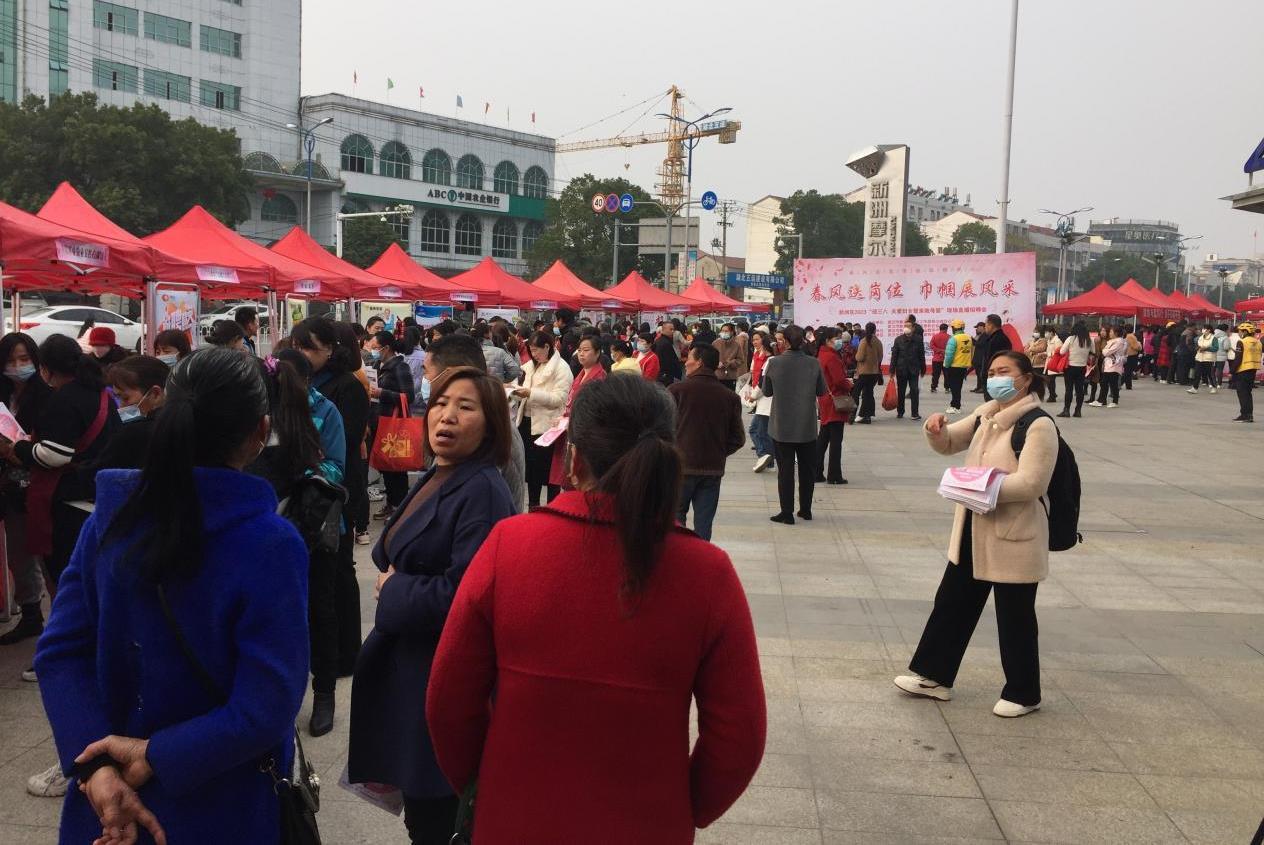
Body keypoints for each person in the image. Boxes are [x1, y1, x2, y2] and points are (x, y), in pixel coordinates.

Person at [426, 374, 766, 843]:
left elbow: (448, 700)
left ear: (573, 459)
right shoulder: (708, 573)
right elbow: (739, 736)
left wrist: (484, 783)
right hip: (649, 826)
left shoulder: (510, 545)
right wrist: (685, 805)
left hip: (513, 817)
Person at [35, 347, 310, 843]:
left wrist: (95, 767)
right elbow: (267, 705)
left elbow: (60, 653)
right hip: (222, 802)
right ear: (259, 432)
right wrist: (156, 755)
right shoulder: (270, 544)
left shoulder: (112, 517)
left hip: (105, 810)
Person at [348, 366, 515, 844]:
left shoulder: (482, 490)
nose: (447, 416)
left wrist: (393, 590)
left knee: (437, 820)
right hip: (411, 674)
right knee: (421, 817)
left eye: (465, 407)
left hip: (442, 682)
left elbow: (467, 594)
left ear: (491, 424)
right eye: (440, 403)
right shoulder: (441, 474)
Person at [896, 350, 1057, 719]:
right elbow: (950, 442)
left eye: (1005, 371)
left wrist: (980, 487)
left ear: (1026, 378)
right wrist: (935, 429)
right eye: (992, 372)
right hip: (972, 528)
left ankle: (1024, 692)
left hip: (1014, 533)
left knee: (1015, 615)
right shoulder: (987, 413)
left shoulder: (1038, 425)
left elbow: (1032, 483)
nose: (996, 378)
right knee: (951, 603)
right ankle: (934, 677)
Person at [293, 318, 369, 677]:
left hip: (339, 488)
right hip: (307, 491)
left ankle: (346, 653)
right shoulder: (297, 381)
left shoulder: (347, 386)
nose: (303, 354)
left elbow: (349, 440)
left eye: (310, 347)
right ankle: (322, 650)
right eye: (298, 346)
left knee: (339, 569)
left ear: (330, 349)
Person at [425, 334, 527, 514]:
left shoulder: (485, 434)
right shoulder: (478, 425)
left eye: (427, 372)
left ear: (451, 374)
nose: (425, 379)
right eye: (441, 404)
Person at [0, 333, 53, 650]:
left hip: (35, 484)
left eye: (24, 359)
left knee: (42, 553)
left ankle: (53, 617)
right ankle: (31, 613)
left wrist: (15, 450)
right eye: (10, 360)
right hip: (8, 486)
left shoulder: (46, 397)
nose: (17, 366)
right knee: (18, 553)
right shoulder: (4, 394)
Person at [669, 344, 745, 541]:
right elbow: (738, 439)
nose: (686, 362)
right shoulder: (729, 397)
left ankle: (680, 555)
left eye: (689, 358)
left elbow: (662, 429)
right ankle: (703, 557)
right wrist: (718, 450)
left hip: (680, 467)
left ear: (699, 362)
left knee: (676, 521)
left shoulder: (676, 391)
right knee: (704, 524)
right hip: (712, 469)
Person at [761, 325, 826, 525]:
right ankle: (806, 509)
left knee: (785, 471)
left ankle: (786, 512)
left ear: (786, 342)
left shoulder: (774, 363)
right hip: (806, 426)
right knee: (807, 470)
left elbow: (767, 391)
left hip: (782, 426)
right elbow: (821, 391)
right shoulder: (813, 363)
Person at [513, 330, 574, 507]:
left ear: (547, 347)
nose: (534, 354)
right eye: (531, 350)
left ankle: (551, 509)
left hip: (547, 427)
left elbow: (559, 399)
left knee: (549, 474)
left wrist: (531, 393)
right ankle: (533, 507)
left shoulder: (561, 368)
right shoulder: (532, 366)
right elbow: (522, 386)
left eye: (536, 350)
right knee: (531, 474)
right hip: (527, 423)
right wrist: (512, 389)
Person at [368, 330, 416, 520]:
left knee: (397, 467)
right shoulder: (376, 365)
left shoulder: (400, 367)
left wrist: (382, 393)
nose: (373, 351)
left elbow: (408, 396)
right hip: (379, 422)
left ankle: (400, 507)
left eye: (375, 347)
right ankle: (391, 503)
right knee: (385, 466)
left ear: (386, 348)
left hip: (396, 425)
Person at [548, 336, 607, 492]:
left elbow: (596, 413)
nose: (581, 354)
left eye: (586, 350)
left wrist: (571, 422)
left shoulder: (600, 378)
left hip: (584, 436)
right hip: (570, 432)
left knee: (581, 479)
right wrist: (563, 418)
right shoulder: (581, 374)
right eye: (579, 350)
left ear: (597, 353)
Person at [93, 355, 169, 471]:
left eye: (125, 398)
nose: (121, 406)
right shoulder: (184, 424)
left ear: (155, 394)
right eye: (118, 398)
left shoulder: (132, 434)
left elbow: (96, 472)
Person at [815, 327, 852, 485]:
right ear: (827, 340)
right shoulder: (831, 357)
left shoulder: (821, 354)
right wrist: (849, 384)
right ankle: (834, 475)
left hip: (825, 398)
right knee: (836, 440)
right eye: (836, 338)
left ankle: (816, 472)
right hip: (835, 400)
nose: (839, 341)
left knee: (823, 438)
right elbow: (838, 380)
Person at [744, 329, 776, 473]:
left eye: (758, 340)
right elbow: (755, 376)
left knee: (758, 431)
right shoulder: (759, 356)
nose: (755, 342)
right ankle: (767, 459)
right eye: (754, 340)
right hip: (763, 400)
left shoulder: (769, 360)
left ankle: (765, 457)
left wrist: (753, 395)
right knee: (760, 431)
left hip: (766, 400)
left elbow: (764, 382)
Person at [890, 319, 925, 420]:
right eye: (905, 326)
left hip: (914, 369)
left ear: (913, 328)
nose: (906, 328)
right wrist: (892, 370)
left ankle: (915, 413)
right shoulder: (898, 339)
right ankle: (900, 412)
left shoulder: (918, 339)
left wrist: (923, 369)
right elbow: (894, 356)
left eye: (909, 326)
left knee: (914, 391)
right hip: (901, 369)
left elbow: (921, 355)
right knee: (901, 391)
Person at [1057, 322, 1094, 418]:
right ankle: (1078, 411)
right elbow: (1093, 352)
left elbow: (1062, 352)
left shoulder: (1071, 339)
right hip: (1082, 367)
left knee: (1069, 389)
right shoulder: (1089, 340)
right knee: (1079, 390)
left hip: (1070, 367)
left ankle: (1066, 410)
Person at [1230, 322, 1260, 423]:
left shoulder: (1242, 342)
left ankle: (1245, 415)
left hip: (1243, 370)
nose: (1239, 333)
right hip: (1253, 370)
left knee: (1242, 393)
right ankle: (1249, 414)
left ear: (1245, 332)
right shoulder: (1258, 342)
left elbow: (1238, 359)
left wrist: (1232, 371)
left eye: (1240, 331)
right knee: (1248, 393)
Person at [853, 322, 883, 424]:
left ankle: (853, 414)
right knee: (868, 393)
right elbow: (880, 357)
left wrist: (857, 356)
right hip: (874, 373)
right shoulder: (878, 342)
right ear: (875, 330)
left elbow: (859, 357)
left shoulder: (863, 341)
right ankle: (867, 416)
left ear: (866, 330)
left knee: (856, 392)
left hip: (863, 372)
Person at [942, 319, 973, 414]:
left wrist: (946, 365)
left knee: (954, 388)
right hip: (964, 366)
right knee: (958, 387)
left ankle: (956, 406)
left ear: (954, 328)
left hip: (954, 366)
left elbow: (949, 355)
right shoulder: (969, 338)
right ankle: (954, 404)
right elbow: (972, 352)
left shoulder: (953, 339)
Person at [713, 322, 747, 390]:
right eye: (722, 331)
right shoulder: (715, 343)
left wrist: (731, 363)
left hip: (731, 376)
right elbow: (710, 357)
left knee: (729, 394)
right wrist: (716, 363)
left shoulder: (736, 345)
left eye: (726, 331)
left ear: (732, 332)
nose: (724, 333)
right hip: (718, 376)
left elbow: (740, 360)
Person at [1097, 326, 1125, 407]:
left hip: (1114, 365)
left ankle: (1115, 401)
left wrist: (1105, 351)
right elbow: (1105, 351)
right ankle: (1102, 400)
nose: (1109, 333)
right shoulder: (1111, 341)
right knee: (1104, 383)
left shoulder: (1119, 342)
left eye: (1111, 332)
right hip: (1108, 365)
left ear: (1116, 333)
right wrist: (1105, 351)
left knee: (1113, 384)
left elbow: (1106, 352)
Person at [1190, 325, 1219, 394]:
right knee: (1197, 373)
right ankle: (1194, 388)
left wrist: (1206, 348)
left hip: (1209, 359)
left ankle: (1214, 387)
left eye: (1205, 329)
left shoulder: (1213, 338)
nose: (1203, 330)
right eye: (1203, 328)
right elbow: (1197, 345)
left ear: (1209, 330)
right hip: (1199, 357)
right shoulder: (1200, 337)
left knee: (1209, 374)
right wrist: (1198, 348)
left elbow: (1216, 348)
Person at [1043, 327, 1061, 404]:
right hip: (1049, 362)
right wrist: (1045, 354)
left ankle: (1052, 396)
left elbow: (1059, 352)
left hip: (1054, 362)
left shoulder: (1057, 341)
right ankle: (1053, 394)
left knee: (1051, 380)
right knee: (1048, 380)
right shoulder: (1049, 341)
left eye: (1047, 332)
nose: (1046, 334)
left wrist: (1049, 354)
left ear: (1052, 332)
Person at [930, 323, 950, 393]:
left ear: (940, 328)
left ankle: (933, 388)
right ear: (946, 329)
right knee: (947, 375)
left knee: (935, 374)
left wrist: (939, 350)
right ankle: (947, 388)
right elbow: (952, 347)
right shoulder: (950, 337)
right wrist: (944, 351)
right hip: (946, 359)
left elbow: (931, 346)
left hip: (936, 359)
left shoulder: (935, 336)